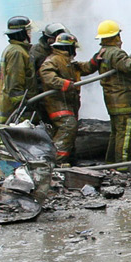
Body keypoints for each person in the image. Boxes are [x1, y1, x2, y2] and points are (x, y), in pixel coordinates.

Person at [91, 20, 131, 163]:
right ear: (115, 37)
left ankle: (111, 163)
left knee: (117, 134)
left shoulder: (104, 52)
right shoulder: (116, 52)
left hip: (114, 101)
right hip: (125, 101)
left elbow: (117, 75)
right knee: (127, 134)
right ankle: (124, 165)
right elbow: (129, 66)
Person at [38, 31, 94, 166]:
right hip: (57, 103)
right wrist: (64, 83)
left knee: (70, 130)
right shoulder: (53, 60)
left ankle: (69, 161)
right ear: (67, 47)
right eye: (73, 47)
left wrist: (96, 60)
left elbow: (85, 67)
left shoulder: (68, 61)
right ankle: (54, 160)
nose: (75, 51)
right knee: (68, 126)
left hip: (69, 102)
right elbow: (46, 75)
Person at [0, 16, 35, 125]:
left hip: (11, 108)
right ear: (22, 33)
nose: (30, 33)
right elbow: (15, 81)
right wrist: (23, 105)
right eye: (28, 31)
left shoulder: (13, 49)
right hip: (14, 111)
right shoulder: (17, 52)